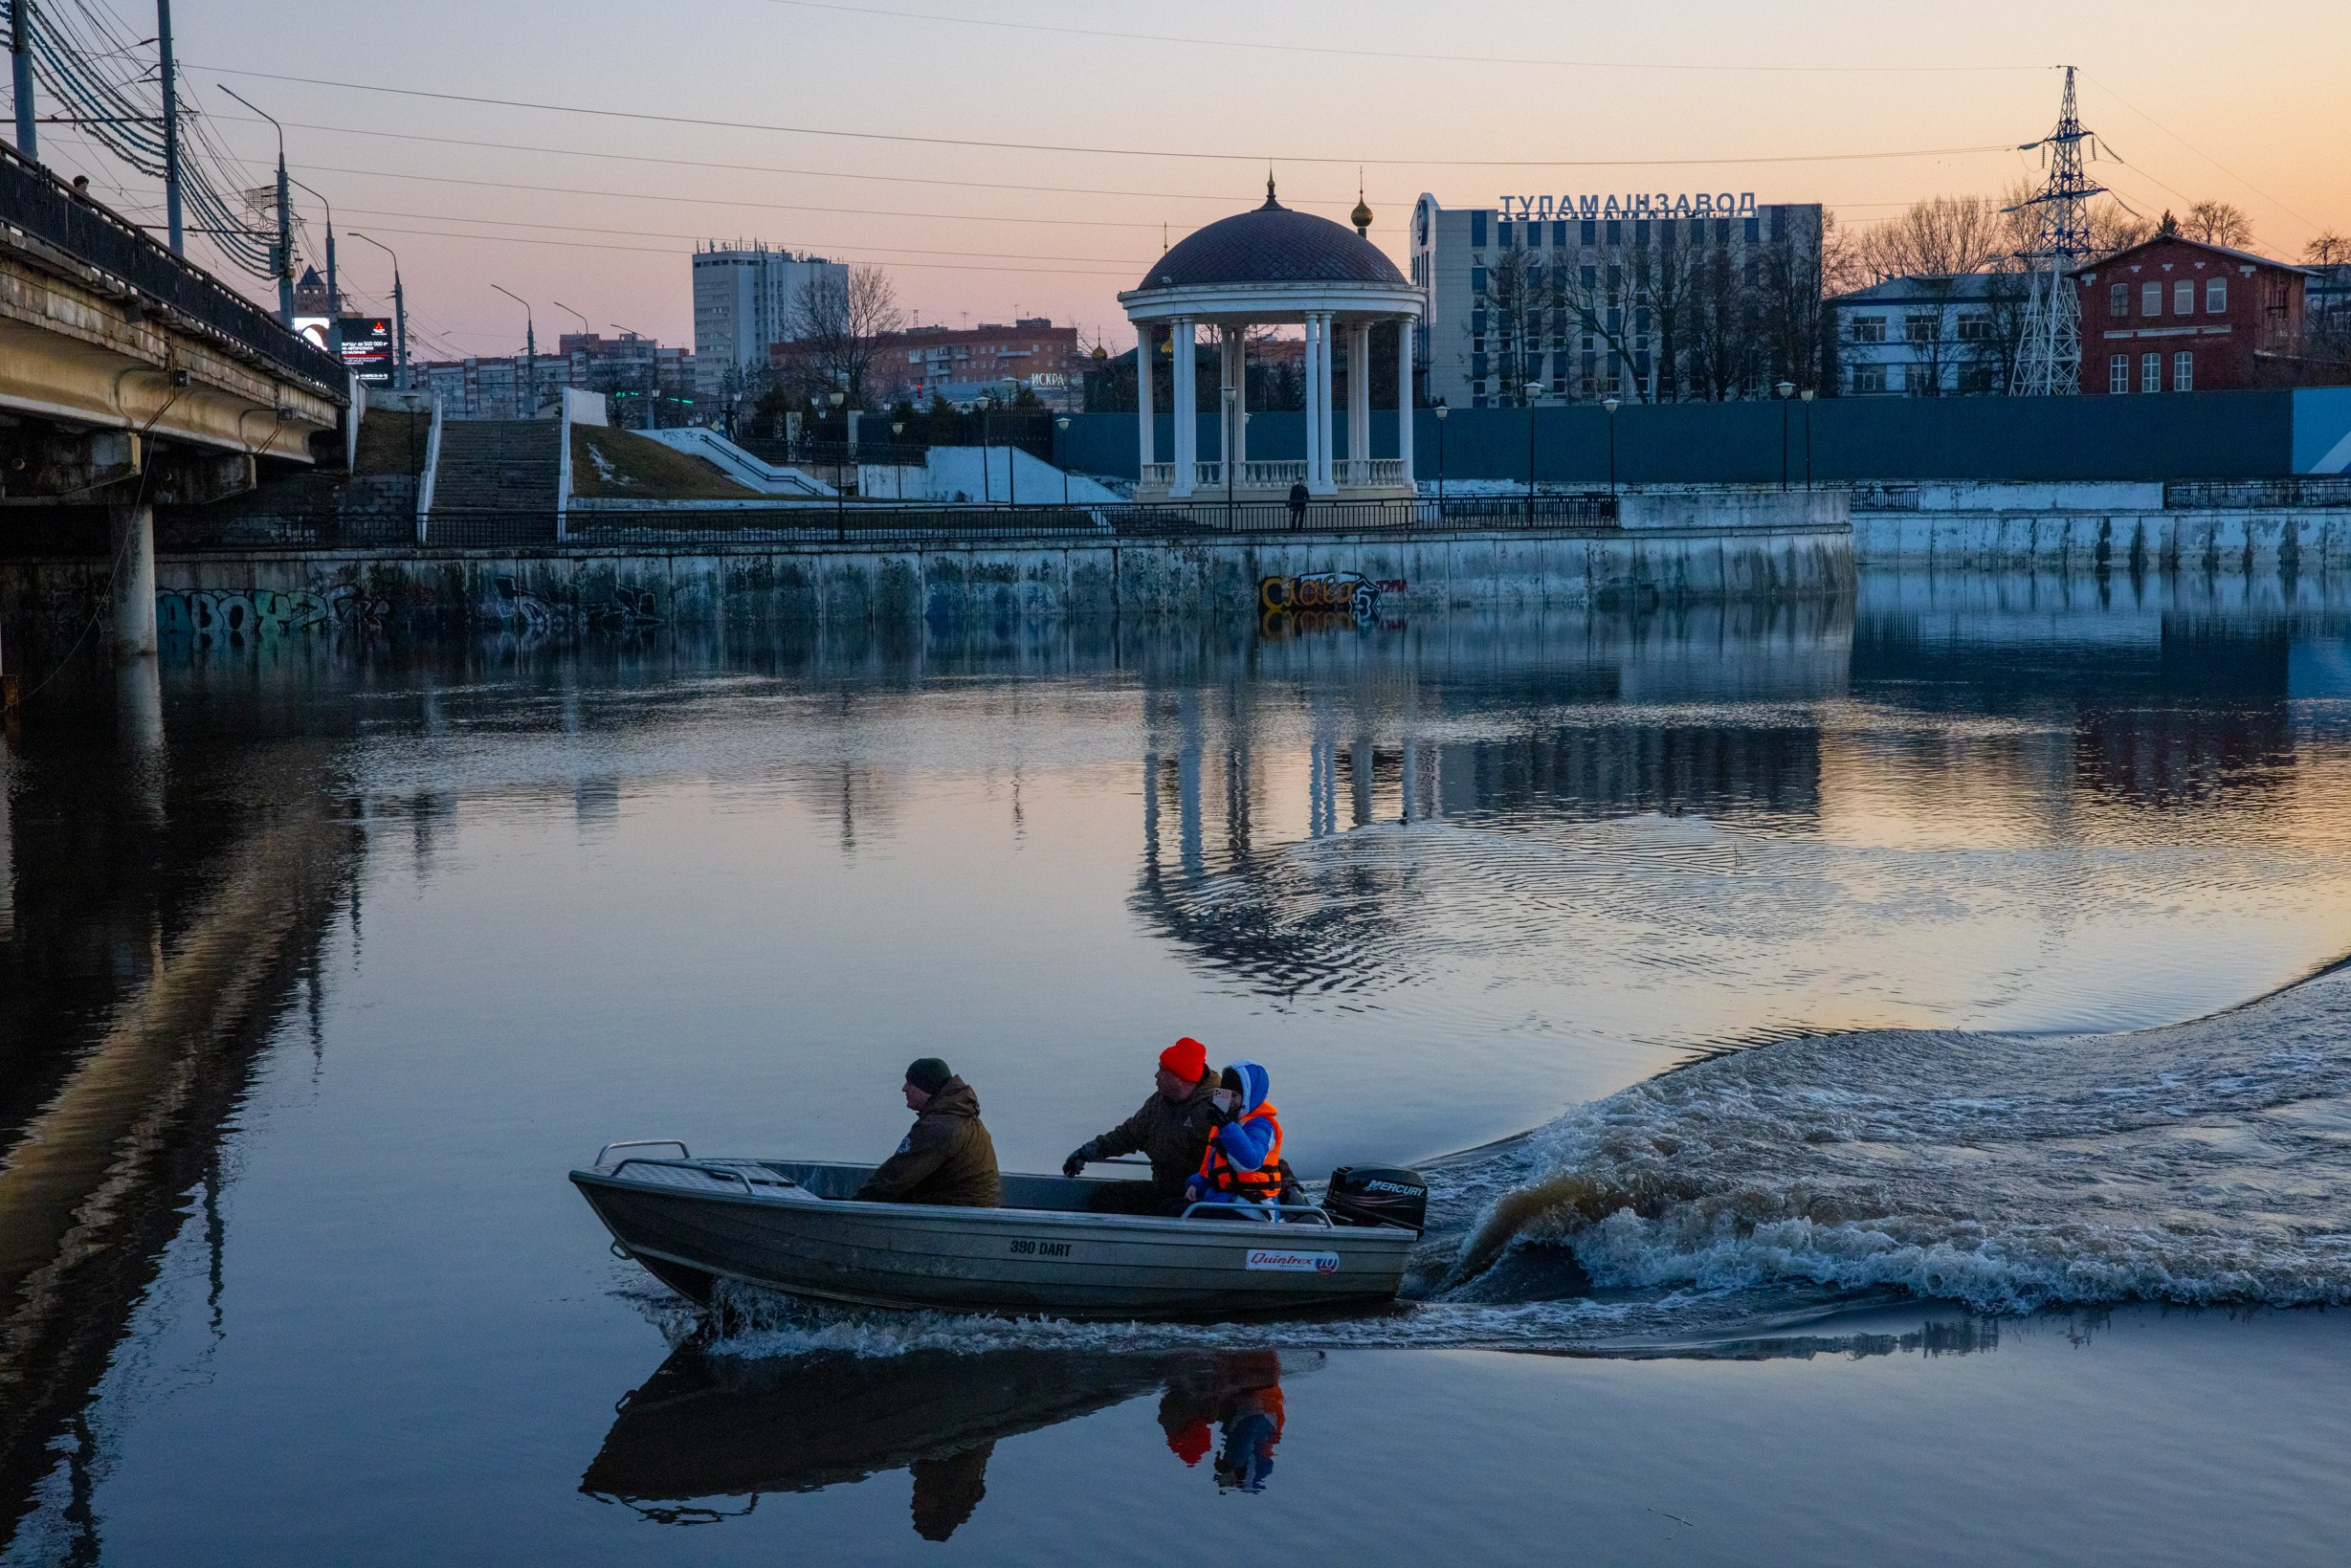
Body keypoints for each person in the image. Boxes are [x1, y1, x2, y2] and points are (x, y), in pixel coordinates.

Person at [1062, 1037, 1221, 1213]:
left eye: (1162, 1070)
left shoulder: (1217, 1108)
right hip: (1163, 1189)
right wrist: (1086, 1152)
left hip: (1200, 1196)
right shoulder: (1159, 1102)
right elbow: (1128, 1135)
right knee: (1106, 1196)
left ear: (1180, 1079)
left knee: (1170, 1210)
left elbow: (1228, 1158)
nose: (1156, 1075)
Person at [854, 1057, 999, 1206]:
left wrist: (854, 1207)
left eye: (910, 1083)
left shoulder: (939, 1127)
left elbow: (895, 1177)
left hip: (954, 1215)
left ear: (926, 1087)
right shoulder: (961, 1118)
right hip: (973, 1211)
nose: (904, 1088)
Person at [1184, 1060, 1284, 1216]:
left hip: (1254, 1207)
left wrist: (1226, 1125)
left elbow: (1250, 1162)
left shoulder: (1261, 1125)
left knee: (1179, 1213)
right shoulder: (1226, 1124)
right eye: (1226, 1094)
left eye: (1235, 1095)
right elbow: (1212, 1165)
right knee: (1170, 1206)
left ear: (1249, 1097)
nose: (1229, 1101)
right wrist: (1198, 1184)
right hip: (1228, 1199)